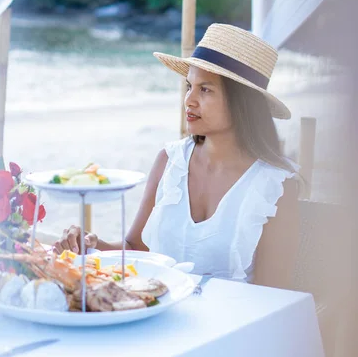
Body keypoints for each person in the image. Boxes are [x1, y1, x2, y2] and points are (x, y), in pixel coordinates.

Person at [54, 24, 299, 288]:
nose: (189, 100)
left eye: (205, 89)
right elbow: (136, 248)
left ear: (242, 102)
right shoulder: (170, 161)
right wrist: (89, 244)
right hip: (158, 316)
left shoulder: (275, 186)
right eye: (189, 86)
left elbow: (274, 293)